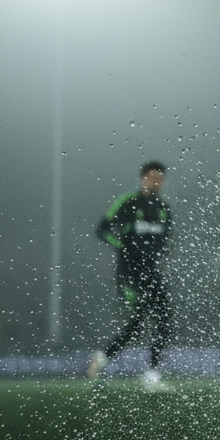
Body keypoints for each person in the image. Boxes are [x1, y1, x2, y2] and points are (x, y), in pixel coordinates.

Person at [87, 161, 173, 390]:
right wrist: (123, 248)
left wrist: (155, 259)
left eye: (160, 178)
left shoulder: (164, 209)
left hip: (152, 274)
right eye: (153, 177)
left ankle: (152, 375)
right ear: (143, 178)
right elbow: (102, 230)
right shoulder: (128, 203)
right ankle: (102, 358)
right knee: (136, 325)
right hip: (129, 275)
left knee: (165, 319)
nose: (157, 182)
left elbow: (165, 243)